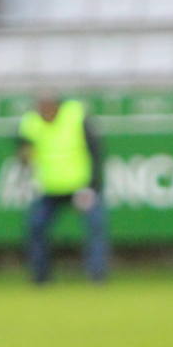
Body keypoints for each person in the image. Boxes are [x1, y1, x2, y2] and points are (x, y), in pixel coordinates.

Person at [17, 93, 108, 284]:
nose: (44, 111)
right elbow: (22, 147)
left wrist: (93, 184)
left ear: (56, 105)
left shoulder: (75, 115)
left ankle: (97, 275)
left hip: (80, 187)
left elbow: (95, 148)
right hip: (49, 189)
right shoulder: (31, 122)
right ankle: (41, 276)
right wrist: (25, 158)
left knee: (96, 227)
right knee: (36, 226)